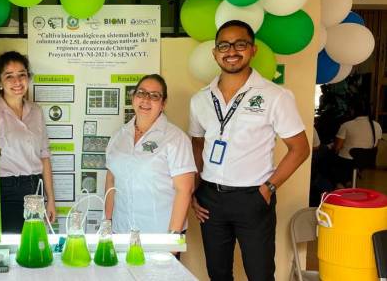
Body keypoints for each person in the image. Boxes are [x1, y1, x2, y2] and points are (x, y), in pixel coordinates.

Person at [189, 20, 310, 281]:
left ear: (252, 50)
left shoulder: (275, 96)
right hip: (210, 199)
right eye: (224, 45)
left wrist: (269, 188)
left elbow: (299, 149)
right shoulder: (200, 99)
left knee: (260, 273)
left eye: (240, 44)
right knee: (218, 273)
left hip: (253, 197)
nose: (231, 51)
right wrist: (195, 190)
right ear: (215, 53)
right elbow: (197, 144)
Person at [104, 74, 196, 238]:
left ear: (163, 103)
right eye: (141, 93)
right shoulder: (118, 136)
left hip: (159, 234)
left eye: (154, 96)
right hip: (121, 231)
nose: (146, 100)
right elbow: (111, 180)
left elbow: (185, 189)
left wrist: (173, 238)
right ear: (133, 98)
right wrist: (108, 222)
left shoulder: (175, 138)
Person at [0, 51, 56, 232]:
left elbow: (44, 156)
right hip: (6, 190)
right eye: (9, 76)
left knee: (35, 243)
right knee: (14, 245)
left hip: (35, 187)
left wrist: (50, 198)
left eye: (22, 75)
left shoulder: (36, 111)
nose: (17, 81)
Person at [331, 102, 382, 187]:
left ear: (353, 111)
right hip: (368, 160)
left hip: (348, 161)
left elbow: (337, 147)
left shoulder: (347, 125)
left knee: (330, 160)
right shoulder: (377, 126)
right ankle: (349, 181)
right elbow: (376, 145)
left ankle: (340, 184)